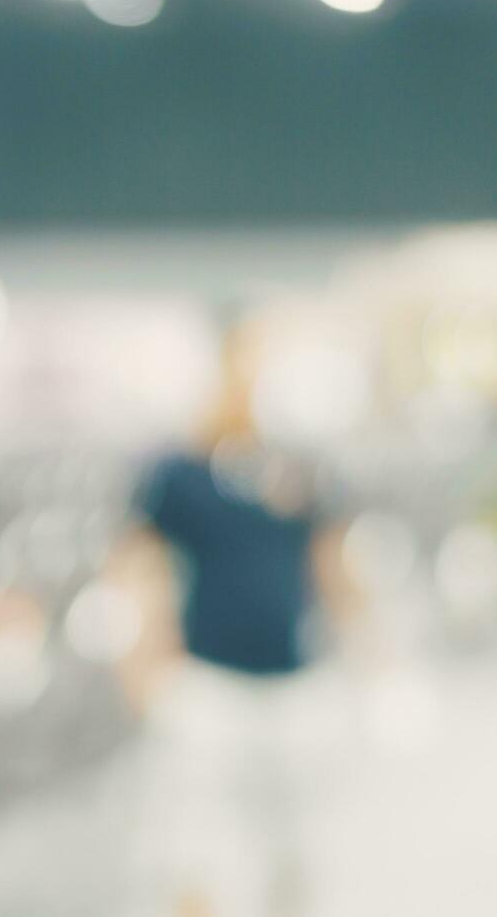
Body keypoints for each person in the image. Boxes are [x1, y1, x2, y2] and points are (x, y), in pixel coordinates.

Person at [107, 321, 372, 917]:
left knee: (299, 853)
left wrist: (372, 657)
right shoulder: (180, 472)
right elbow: (136, 565)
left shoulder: (299, 467)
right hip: (209, 682)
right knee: (194, 849)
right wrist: (142, 666)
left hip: (294, 682)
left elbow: (331, 562)